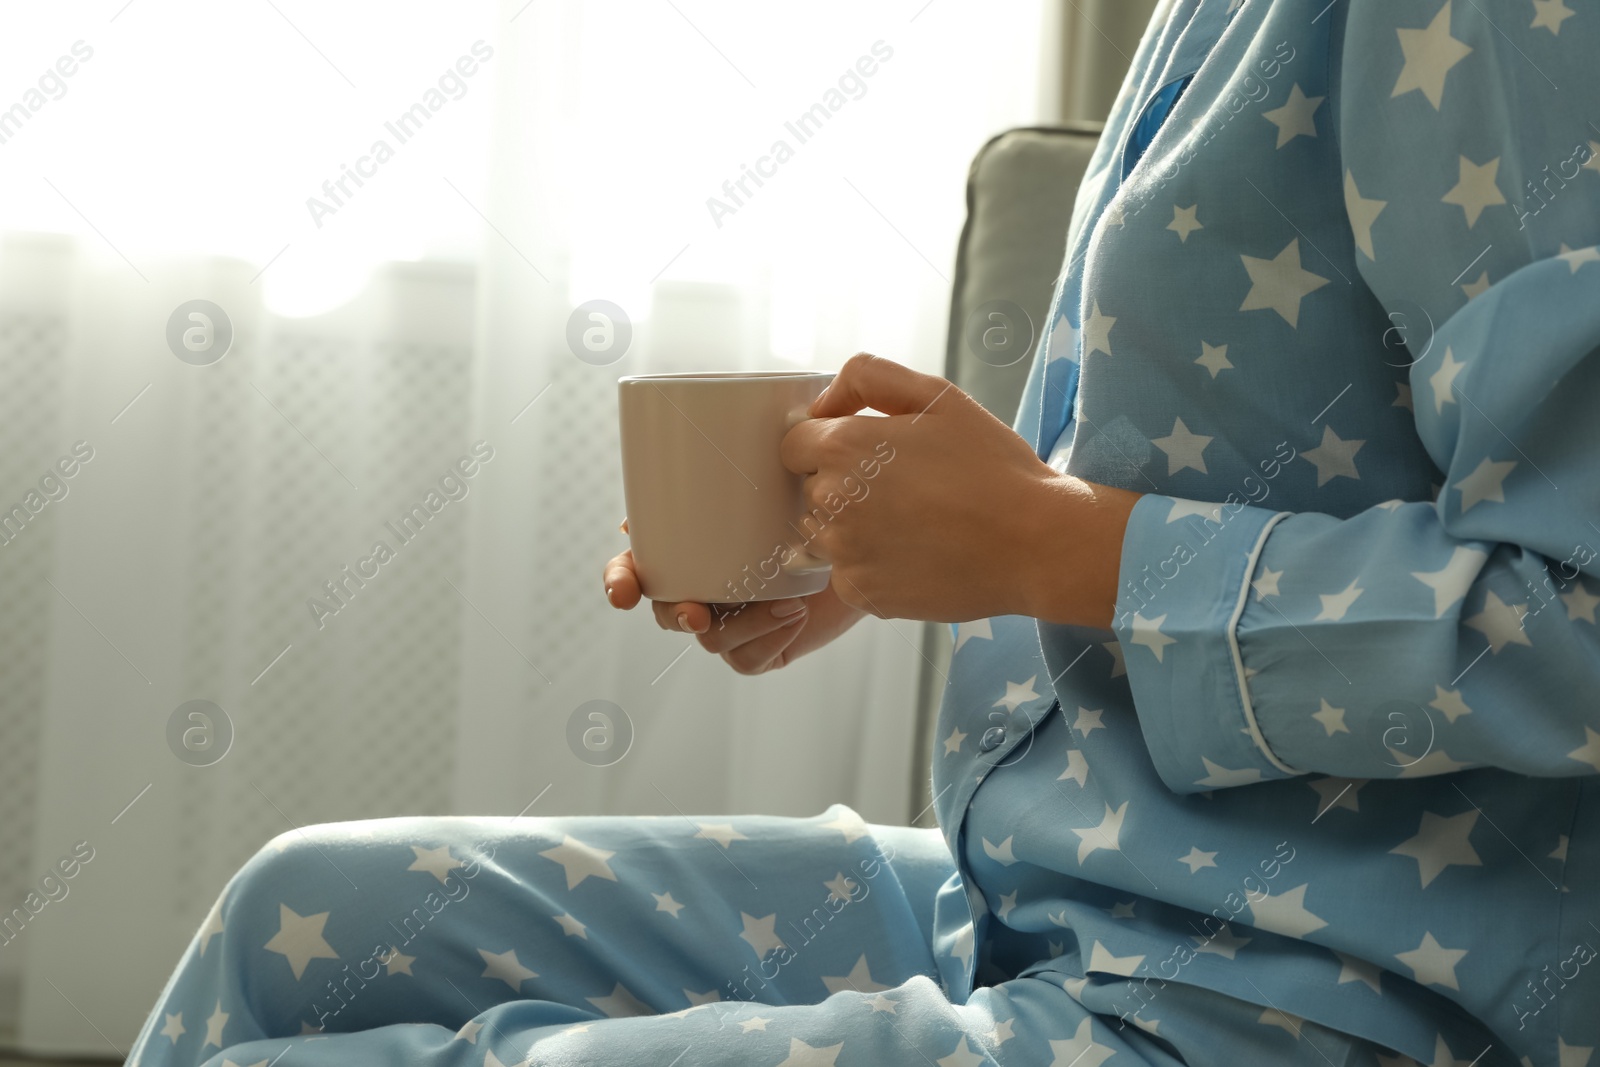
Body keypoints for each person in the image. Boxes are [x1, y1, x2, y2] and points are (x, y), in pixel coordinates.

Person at [127, 1, 1600, 1064]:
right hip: (1055, 897)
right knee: (291, 917)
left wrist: (1044, 543)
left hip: (1315, 993)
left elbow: (1574, 611)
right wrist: (900, 540)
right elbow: (1296, 475)